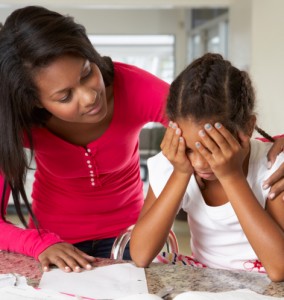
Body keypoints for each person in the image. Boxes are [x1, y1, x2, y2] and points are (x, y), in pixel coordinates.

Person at [0, 7, 283, 274]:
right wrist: (39, 244)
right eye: (64, 96)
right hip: (58, 242)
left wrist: (277, 144)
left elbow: (207, 120)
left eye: (87, 72)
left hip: (128, 237)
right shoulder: (14, 122)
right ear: (33, 102)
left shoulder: (133, 87)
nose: (89, 97)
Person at [130, 53, 284, 282]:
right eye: (190, 149)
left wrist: (231, 177)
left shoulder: (273, 167)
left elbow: (279, 268)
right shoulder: (173, 163)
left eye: (212, 148)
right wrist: (181, 173)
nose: (200, 163)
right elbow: (141, 255)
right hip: (205, 284)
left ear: (248, 128)